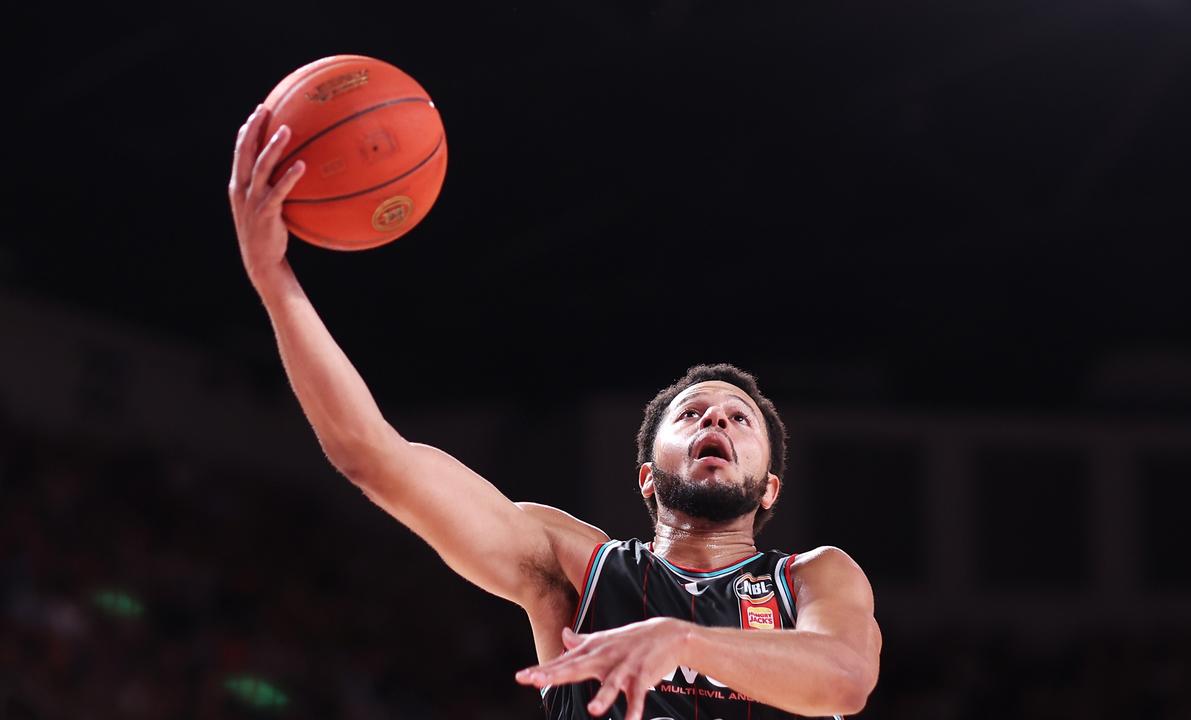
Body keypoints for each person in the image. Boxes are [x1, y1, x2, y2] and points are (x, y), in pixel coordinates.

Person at [228, 106, 881, 720]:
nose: (714, 423)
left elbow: (846, 679)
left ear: (770, 487)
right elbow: (371, 455)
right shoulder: (577, 568)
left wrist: (682, 642)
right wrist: (272, 281)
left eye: (739, 420)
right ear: (648, 477)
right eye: (690, 417)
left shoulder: (812, 576)